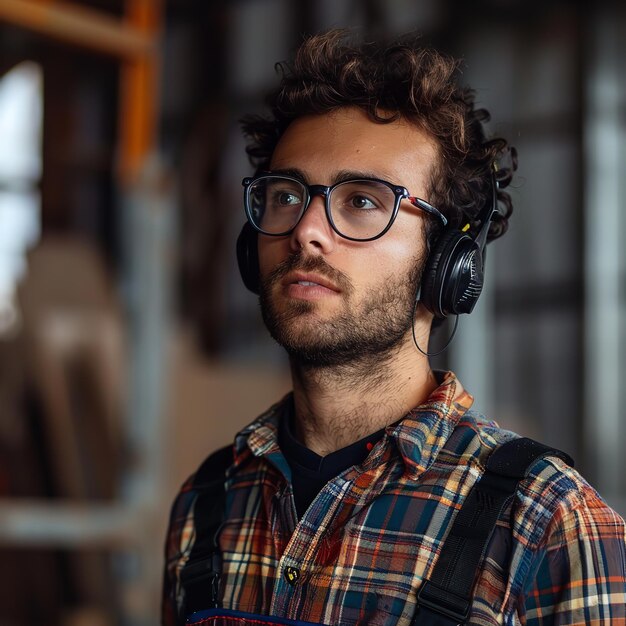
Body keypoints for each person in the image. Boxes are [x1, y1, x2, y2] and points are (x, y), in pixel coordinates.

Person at [162, 30, 626, 626]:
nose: (305, 228)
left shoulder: (547, 526)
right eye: (286, 194)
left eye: (361, 201)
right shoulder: (205, 504)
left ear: (446, 264)